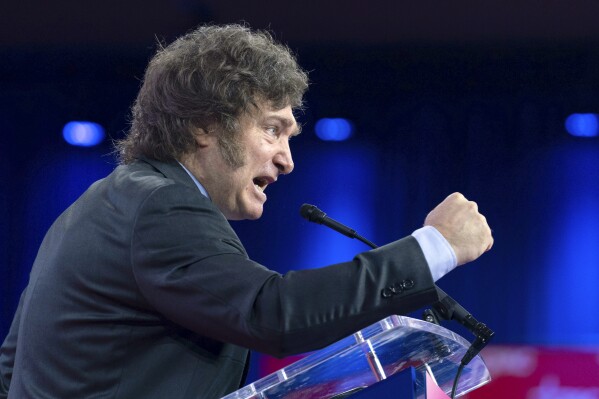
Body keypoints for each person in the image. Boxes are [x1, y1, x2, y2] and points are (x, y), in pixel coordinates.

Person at [0, 24, 493, 399]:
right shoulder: (160, 206)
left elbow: (12, 367)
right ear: (204, 125)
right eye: (272, 130)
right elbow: (272, 314)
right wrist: (435, 247)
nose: (287, 158)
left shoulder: (99, 207)